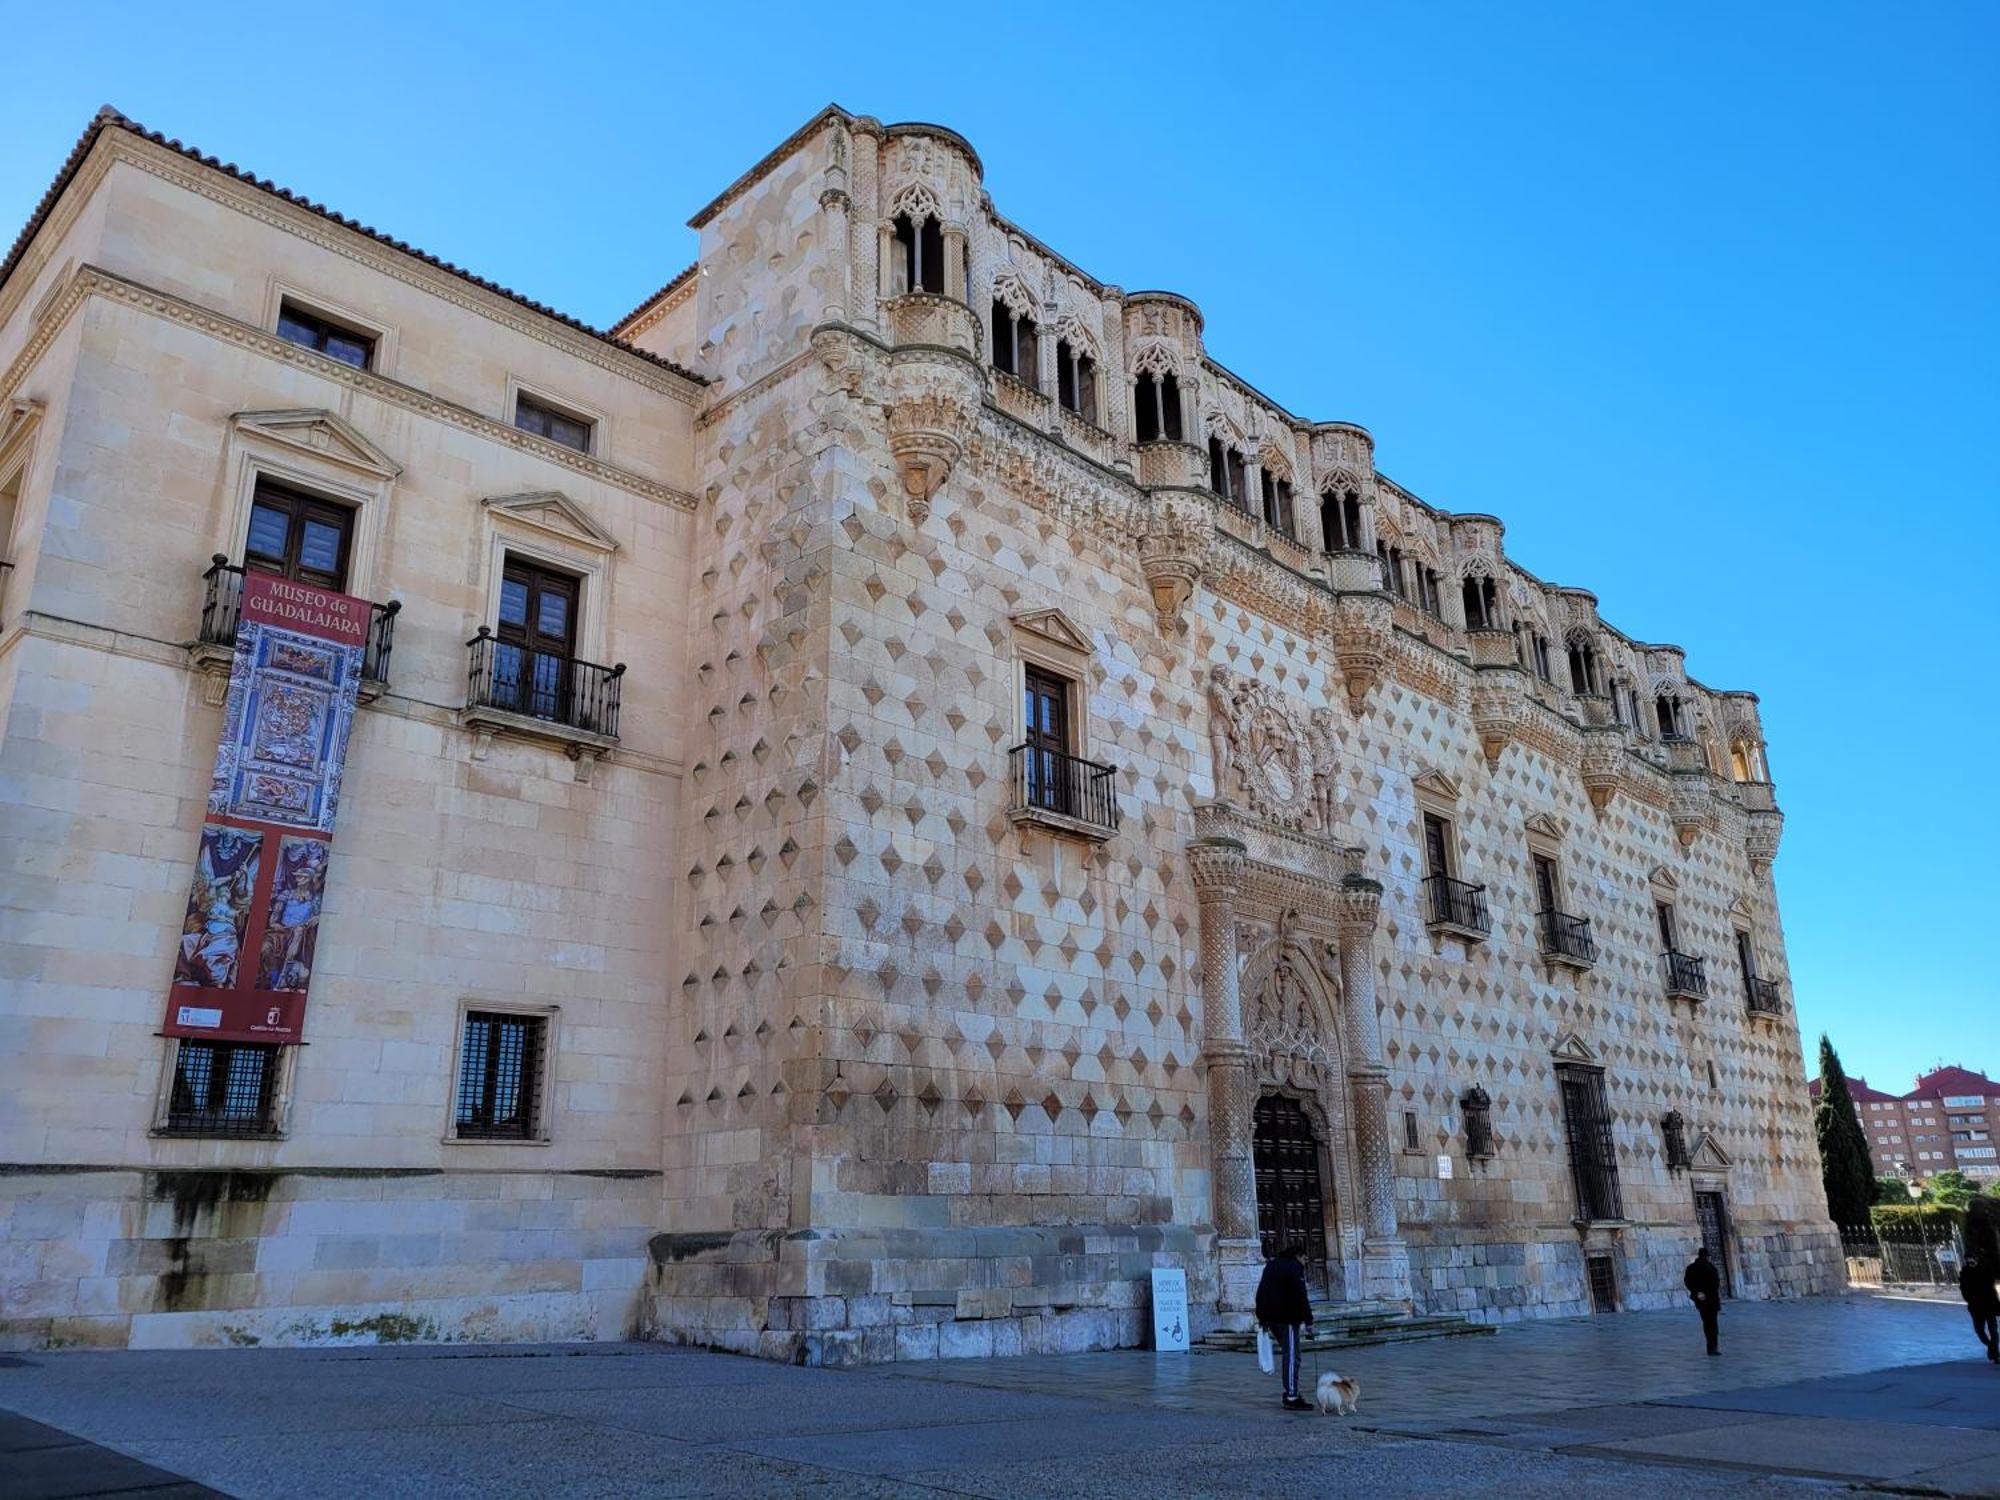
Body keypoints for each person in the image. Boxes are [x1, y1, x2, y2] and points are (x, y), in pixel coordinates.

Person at [1255, 1243, 1314, 1410]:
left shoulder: (1272, 1265)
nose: (1305, 1263)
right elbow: (1301, 1295)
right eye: (1305, 1259)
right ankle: (1291, 1395)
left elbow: (1262, 1291)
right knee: (1292, 1356)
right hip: (1287, 1318)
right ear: (1299, 1256)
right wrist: (1308, 1320)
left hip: (1270, 1318)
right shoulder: (1294, 1268)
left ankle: (1291, 1391)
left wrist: (1262, 1316)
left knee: (1290, 1353)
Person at [1959, 1253, 1999, 1364]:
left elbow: (1992, 1289)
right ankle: (1991, 1346)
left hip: (1989, 1305)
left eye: (1972, 1258)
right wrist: (1970, 1300)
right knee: (1979, 1331)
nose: (1969, 1260)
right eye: (1968, 1259)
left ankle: (1996, 1355)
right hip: (1976, 1307)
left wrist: (1997, 1304)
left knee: (1993, 1331)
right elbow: (1964, 1290)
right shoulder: (1965, 1273)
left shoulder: (1985, 1270)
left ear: (1976, 1259)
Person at [1684, 1245, 1722, 1355]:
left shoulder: (1691, 1268)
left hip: (1700, 1300)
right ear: (1707, 1257)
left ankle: (1709, 1345)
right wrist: (1706, 1293)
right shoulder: (1711, 1268)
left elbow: (1687, 1281)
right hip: (1711, 1300)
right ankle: (1713, 1346)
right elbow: (1715, 1284)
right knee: (1713, 1324)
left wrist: (1697, 1292)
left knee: (1706, 1322)